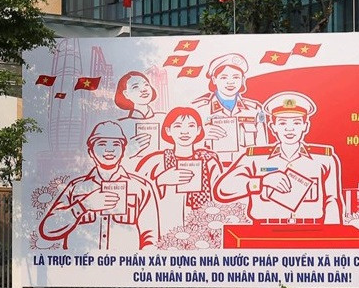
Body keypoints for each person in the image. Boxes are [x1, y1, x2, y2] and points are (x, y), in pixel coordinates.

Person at [214, 91, 343, 224]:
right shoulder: (255, 159)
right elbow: (222, 190)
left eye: (296, 123)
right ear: (273, 127)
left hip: (311, 229)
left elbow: (331, 199)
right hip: (264, 230)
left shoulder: (323, 159)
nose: (289, 129)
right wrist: (261, 181)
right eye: (282, 123)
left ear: (306, 126)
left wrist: (332, 233)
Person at [39, 121, 160, 250]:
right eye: (102, 144)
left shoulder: (141, 187)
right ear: (90, 151)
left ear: (123, 150)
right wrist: (85, 204)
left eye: (116, 144)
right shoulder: (75, 187)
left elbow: (150, 237)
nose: (109, 149)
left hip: (124, 267)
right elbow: (48, 229)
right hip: (81, 267)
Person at [137, 107, 223, 235]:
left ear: (199, 130)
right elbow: (137, 193)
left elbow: (219, 198)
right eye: (177, 126)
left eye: (191, 126)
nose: (184, 132)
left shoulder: (209, 162)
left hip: (201, 231)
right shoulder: (154, 162)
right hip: (165, 228)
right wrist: (160, 181)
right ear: (168, 130)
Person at [192, 53, 267, 164]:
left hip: (245, 169)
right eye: (224, 77)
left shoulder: (254, 109)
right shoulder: (199, 109)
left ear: (242, 79)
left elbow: (262, 149)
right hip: (211, 170)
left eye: (236, 77)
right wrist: (199, 136)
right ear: (214, 79)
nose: (230, 82)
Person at [114, 71, 163, 159]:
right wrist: (127, 151)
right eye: (135, 87)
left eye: (146, 85)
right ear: (126, 94)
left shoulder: (163, 118)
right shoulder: (119, 126)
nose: (143, 89)